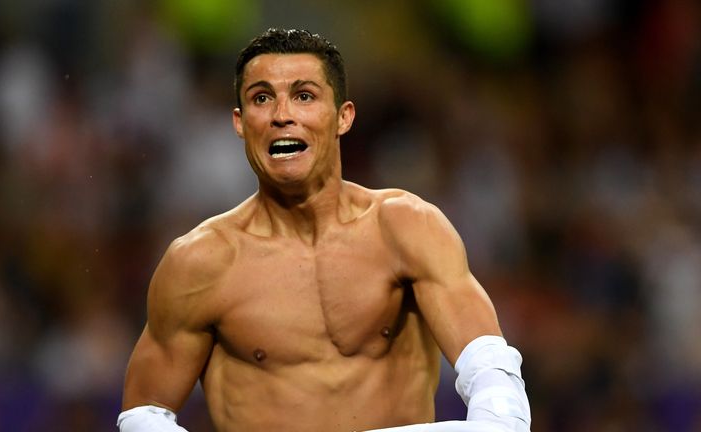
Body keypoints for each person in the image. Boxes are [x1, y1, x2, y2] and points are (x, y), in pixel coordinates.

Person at [117, 28, 531, 432]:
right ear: (240, 123)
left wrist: (498, 418)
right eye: (262, 98)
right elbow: (143, 414)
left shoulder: (405, 228)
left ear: (343, 117)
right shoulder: (200, 262)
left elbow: (492, 375)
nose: (282, 115)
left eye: (304, 96)